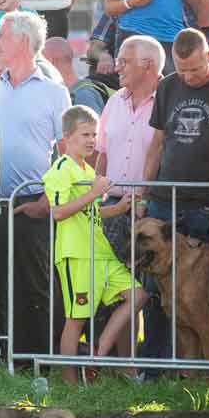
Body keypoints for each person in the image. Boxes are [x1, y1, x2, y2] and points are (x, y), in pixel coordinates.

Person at [142, 28, 209, 362]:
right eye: (182, 69)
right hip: (165, 202)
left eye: (194, 69)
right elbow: (157, 143)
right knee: (157, 289)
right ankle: (160, 365)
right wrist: (143, 193)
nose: (187, 77)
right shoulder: (167, 85)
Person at [0, 12, 71, 355]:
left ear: (21, 40)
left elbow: (68, 152)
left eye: (2, 35)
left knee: (34, 285)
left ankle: (35, 358)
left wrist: (48, 200)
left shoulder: (54, 93)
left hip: (33, 204)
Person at [45, 106, 145, 382]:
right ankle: (69, 381)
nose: (91, 140)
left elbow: (89, 212)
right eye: (85, 134)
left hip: (100, 253)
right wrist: (93, 193)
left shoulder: (88, 168)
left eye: (94, 134)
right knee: (76, 319)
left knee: (138, 295)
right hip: (76, 255)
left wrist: (118, 208)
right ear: (67, 137)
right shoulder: (60, 169)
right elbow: (59, 212)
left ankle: (101, 353)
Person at [96, 35, 164, 262]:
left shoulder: (170, 99)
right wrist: (96, 197)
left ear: (148, 65)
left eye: (124, 61)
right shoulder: (114, 101)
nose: (117, 68)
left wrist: (143, 200)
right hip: (113, 207)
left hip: (153, 210)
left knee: (147, 284)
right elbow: (102, 154)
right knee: (109, 282)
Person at [43, 37, 112, 115]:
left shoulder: (83, 95)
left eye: (41, 62)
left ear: (50, 62)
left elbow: (93, 127)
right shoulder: (75, 92)